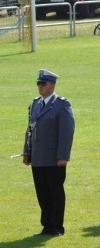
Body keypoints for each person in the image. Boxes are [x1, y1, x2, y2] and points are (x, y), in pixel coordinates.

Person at [22, 69, 75, 237]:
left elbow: (66, 132)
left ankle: (57, 226)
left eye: (43, 84)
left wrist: (63, 157)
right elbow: (29, 130)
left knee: (55, 192)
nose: (40, 87)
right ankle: (46, 225)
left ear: (52, 85)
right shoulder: (35, 104)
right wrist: (26, 152)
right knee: (42, 193)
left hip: (54, 158)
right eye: (38, 84)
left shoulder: (61, 104)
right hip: (38, 157)